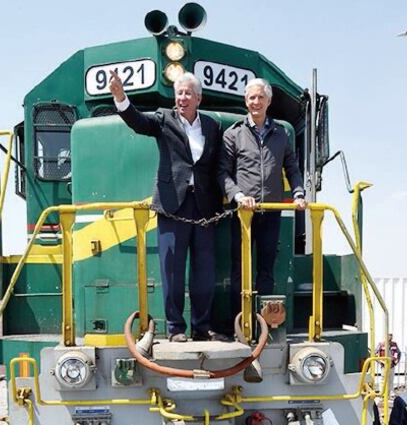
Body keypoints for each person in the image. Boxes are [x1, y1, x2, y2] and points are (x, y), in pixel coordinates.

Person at [109, 70, 224, 343]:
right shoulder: (164, 118)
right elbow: (138, 122)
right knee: (171, 269)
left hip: (205, 208)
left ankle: (202, 326)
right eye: (178, 93)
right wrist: (120, 96)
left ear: (198, 98)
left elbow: (216, 166)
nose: (182, 98)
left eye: (187, 94)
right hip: (173, 205)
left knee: (205, 271)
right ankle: (175, 328)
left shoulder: (212, 126)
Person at [218, 78, 306, 319]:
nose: (255, 102)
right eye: (251, 98)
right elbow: (222, 172)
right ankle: (239, 322)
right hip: (243, 213)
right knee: (240, 269)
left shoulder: (280, 135)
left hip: (271, 211)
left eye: (260, 97)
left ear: (268, 101)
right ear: (246, 101)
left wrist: (298, 193)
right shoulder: (233, 133)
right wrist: (237, 195)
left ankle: (264, 324)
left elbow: (292, 168)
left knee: (266, 269)